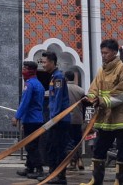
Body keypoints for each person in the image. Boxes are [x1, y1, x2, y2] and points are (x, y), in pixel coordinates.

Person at [81, 39, 123, 185]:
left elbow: (122, 94)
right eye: (101, 53)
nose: (103, 55)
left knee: (122, 150)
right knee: (99, 148)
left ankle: (120, 182)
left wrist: (101, 101)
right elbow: (94, 89)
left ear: (114, 52)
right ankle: (96, 180)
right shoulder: (101, 70)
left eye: (105, 53)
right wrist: (90, 98)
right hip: (105, 119)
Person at [42, 51, 71, 185]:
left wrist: (53, 119)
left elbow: (58, 100)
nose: (43, 65)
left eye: (44, 62)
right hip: (55, 119)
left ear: (52, 62)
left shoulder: (58, 77)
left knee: (58, 148)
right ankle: (52, 173)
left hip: (60, 120)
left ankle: (60, 177)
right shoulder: (53, 77)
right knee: (52, 147)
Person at [14, 61, 45, 180]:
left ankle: (39, 169)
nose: (23, 71)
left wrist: (17, 116)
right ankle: (30, 167)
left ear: (31, 70)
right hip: (37, 119)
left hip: (31, 120)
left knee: (31, 146)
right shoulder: (39, 84)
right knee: (32, 145)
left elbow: (25, 102)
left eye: (25, 68)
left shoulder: (30, 84)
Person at [64, 70, 85, 171]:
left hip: (67, 119)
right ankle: (80, 160)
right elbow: (84, 106)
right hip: (78, 119)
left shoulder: (64, 89)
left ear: (66, 78)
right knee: (78, 140)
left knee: (69, 141)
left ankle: (72, 162)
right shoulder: (80, 90)